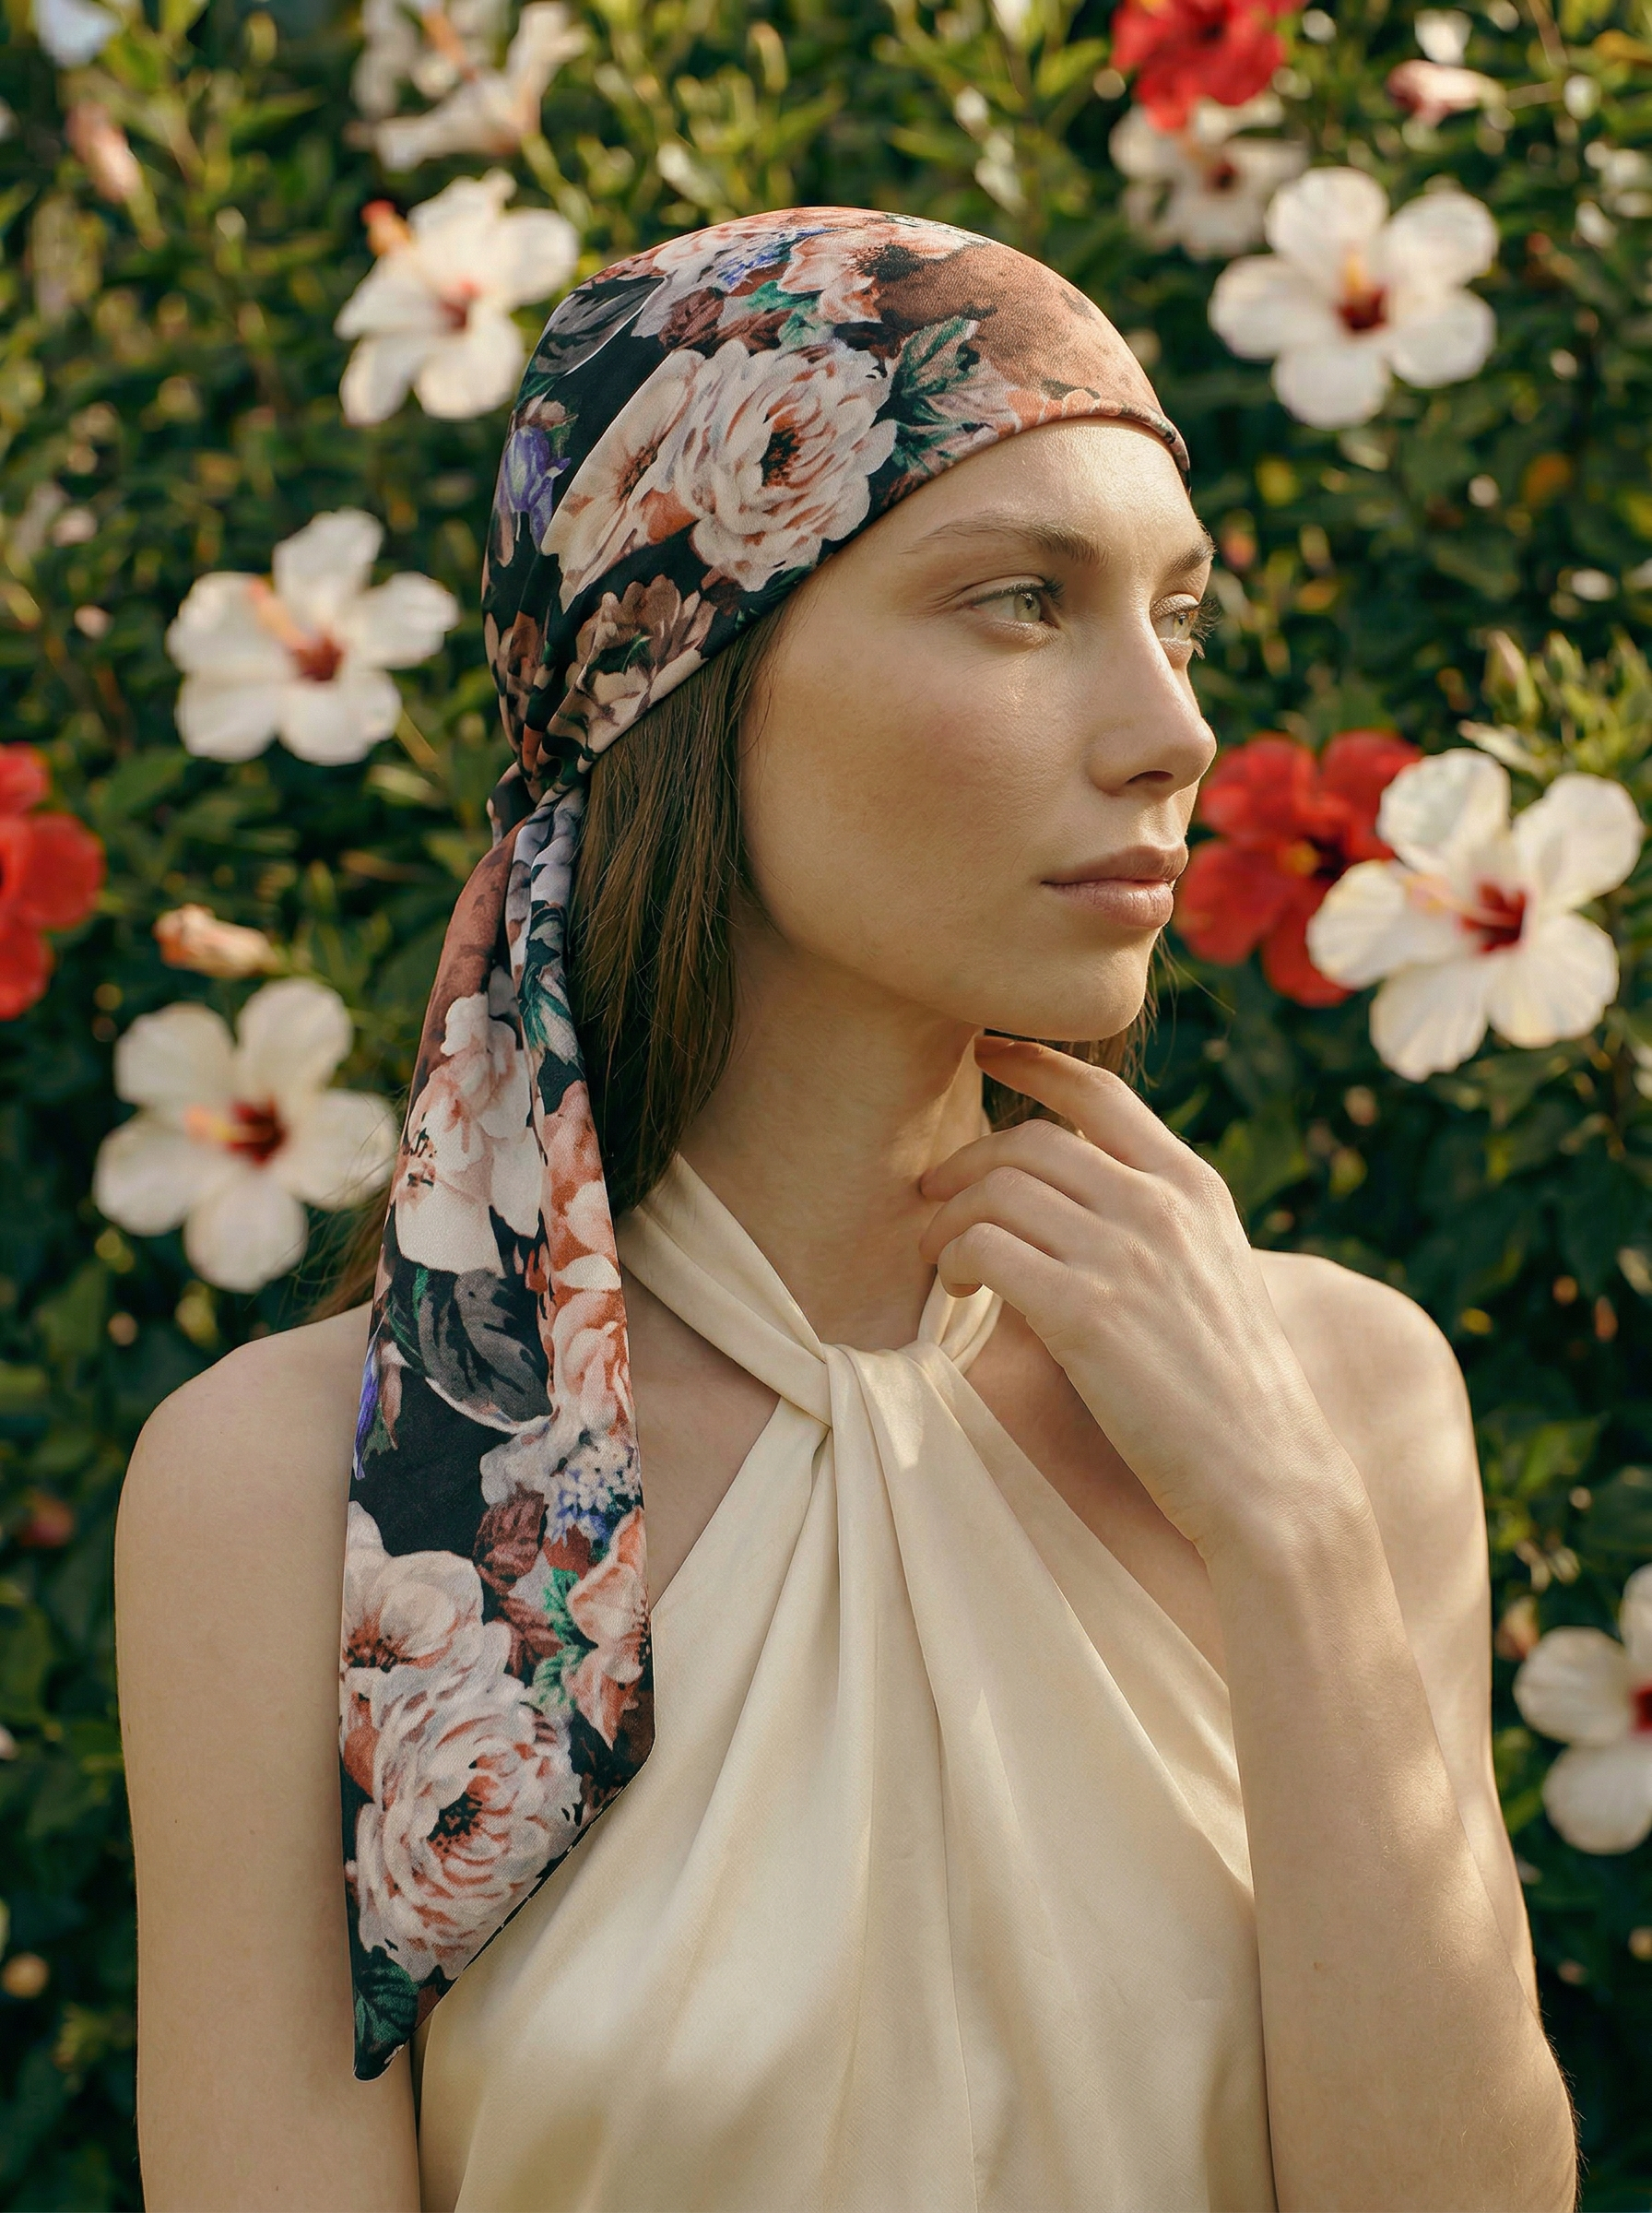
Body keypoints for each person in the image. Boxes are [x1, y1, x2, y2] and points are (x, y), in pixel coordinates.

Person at [114, 207, 1578, 2213]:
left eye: (1179, 619)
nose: (1171, 731)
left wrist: (1294, 1540)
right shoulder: (307, 1493)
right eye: (1018, 601)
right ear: (679, 677)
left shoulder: (1327, 1394)